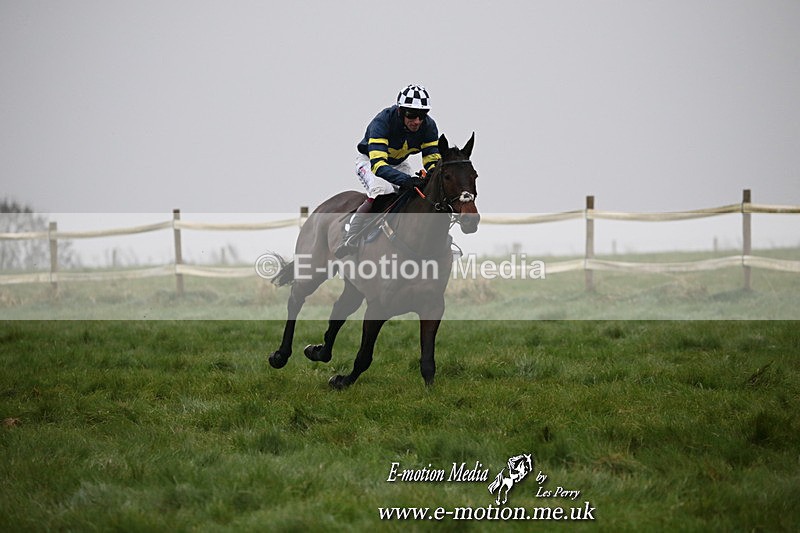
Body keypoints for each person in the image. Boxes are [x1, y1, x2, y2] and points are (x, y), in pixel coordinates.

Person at [334, 84, 441, 258]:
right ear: (400, 111)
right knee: (382, 189)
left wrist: (432, 175)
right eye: (411, 115)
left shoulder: (429, 126)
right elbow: (378, 166)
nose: (417, 121)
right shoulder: (382, 122)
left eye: (422, 116)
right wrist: (405, 180)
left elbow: (431, 159)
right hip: (370, 161)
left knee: (417, 193)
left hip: (399, 163)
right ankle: (350, 236)